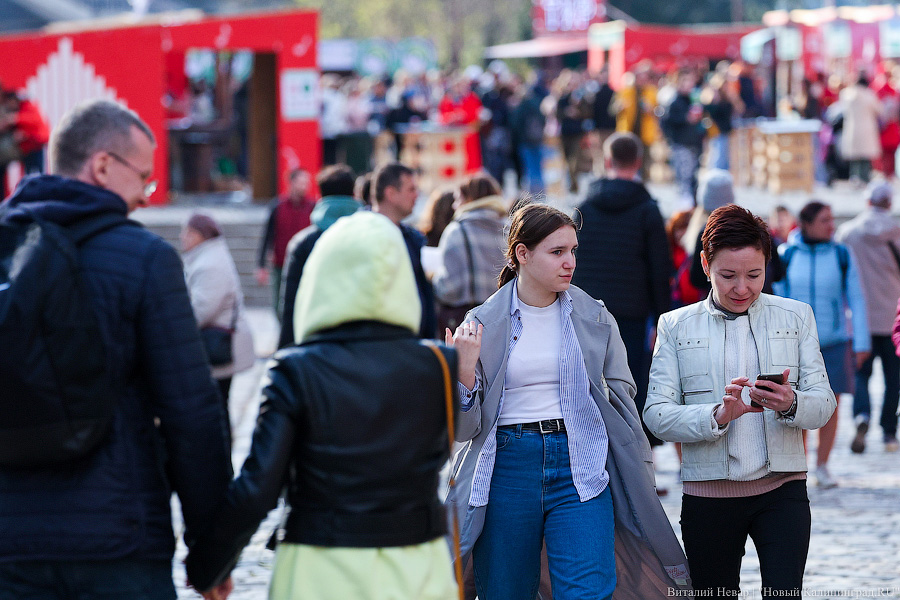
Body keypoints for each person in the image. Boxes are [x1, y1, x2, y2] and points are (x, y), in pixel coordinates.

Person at [0, 100, 232, 598]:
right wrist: (211, 553)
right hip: (119, 541)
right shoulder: (145, 259)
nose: (146, 197)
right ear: (103, 165)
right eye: (143, 179)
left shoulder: (4, 254)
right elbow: (191, 415)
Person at [186, 211, 460, 600]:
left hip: (319, 569)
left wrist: (208, 567)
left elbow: (258, 488)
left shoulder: (296, 370)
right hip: (417, 568)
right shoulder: (439, 365)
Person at [445, 202, 691, 600]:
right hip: (507, 466)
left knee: (589, 591)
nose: (569, 262)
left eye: (573, 250)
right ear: (522, 254)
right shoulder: (481, 324)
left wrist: (632, 457)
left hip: (581, 462)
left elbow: (622, 397)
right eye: (557, 252)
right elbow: (463, 430)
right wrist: (465, 373)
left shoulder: (594, 315)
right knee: (506, 591)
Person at [644, 204, 836, 598]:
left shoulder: (796, 316)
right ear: (705, 264)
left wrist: (790, 402)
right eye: (727, 276)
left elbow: (824, 402)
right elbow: (656, 415)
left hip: (783, 491)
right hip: (707, 497)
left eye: (754, 275)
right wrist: (717, 415)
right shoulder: (676, 325)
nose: (742, 288)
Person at [572, 132, 672, 455]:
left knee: (591, 387)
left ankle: (595, 459)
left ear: (606, 161)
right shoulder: (647, 210)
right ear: (639, 163)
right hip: (632, 313)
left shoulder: (584, 208)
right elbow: (660, 270)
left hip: (588, 312)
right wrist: (662, 318)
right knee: (630, 385)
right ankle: (639, 464)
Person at [774, 200, 870, 487]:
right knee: (796, 405)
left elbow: (857, 298)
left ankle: (823, 465)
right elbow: (778, 300)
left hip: (834, 342)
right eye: (825, 220)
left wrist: (861, 341)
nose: (832, 225)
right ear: (806, 224)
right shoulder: (786, 254)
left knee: (830, 404)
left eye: (832, 219)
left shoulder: (842, 254)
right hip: (795, 345)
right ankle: (798, 466)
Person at [836, 181, 900, 453]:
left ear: (867, 202)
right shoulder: (897, 232)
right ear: (888, 203)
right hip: (893, 315)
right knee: (893, 378)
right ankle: (888, 433)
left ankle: (861, 416)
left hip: (860, 317)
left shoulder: (848, 232)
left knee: (861, 374)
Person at [278, 164, 361, 348]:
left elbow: (290, 306)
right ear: (354, 194)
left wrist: (284, 353)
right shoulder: (371, 236)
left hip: (315, 342)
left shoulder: (302, 242)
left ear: (321, 196)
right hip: (362, 343)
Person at [182, 213, 255, 411]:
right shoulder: (208, 257)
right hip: (216, 343)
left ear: (201, 235)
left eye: (188, 232)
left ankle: (222, 443)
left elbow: (202, 311)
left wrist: (176, 325)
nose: (183, 237)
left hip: (217, 345)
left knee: (216, 406)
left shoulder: (209, 265)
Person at [432, 172, 508, 334]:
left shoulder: (457, 231)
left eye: (458, 199)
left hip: (467, 323)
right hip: (503, 318)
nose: (454, 206)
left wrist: (433, 278)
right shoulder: (510, 230)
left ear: (469, 199)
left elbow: (449, 289)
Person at [371, 162, 437, 339]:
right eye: (411, 189)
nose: (416, 195)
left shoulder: (411, 238)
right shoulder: (365, 236)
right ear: (391, 193)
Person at [256, 168, 316, 318]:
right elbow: (267, 236)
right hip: (281, 265)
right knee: (280, 306)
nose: (304, 186)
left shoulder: (313, 208)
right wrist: (261, 265)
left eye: (306, 183)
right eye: (301, 182)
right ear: (291, 183)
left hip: (306, 264)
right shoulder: (277, 207)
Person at [660, 70, 705, 208]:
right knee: (684, 176)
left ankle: (692, 203)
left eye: (691, 81)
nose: (690, 85)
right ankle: (685, 205)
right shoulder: (674, 102)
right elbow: (666, 122)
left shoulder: (694, 100)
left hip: (694, 143)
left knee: (693, 176)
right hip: (681, 144)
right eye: (686, 81)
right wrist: (685, 119)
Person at [839, 74, 882, 185]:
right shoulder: (870, 95)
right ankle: (864, 178)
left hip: (852, 128)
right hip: (866, 128)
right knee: (865, 157)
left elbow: (841, 109)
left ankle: (855, 177)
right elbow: (879, 110)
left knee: (855, 157)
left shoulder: (846, 94)